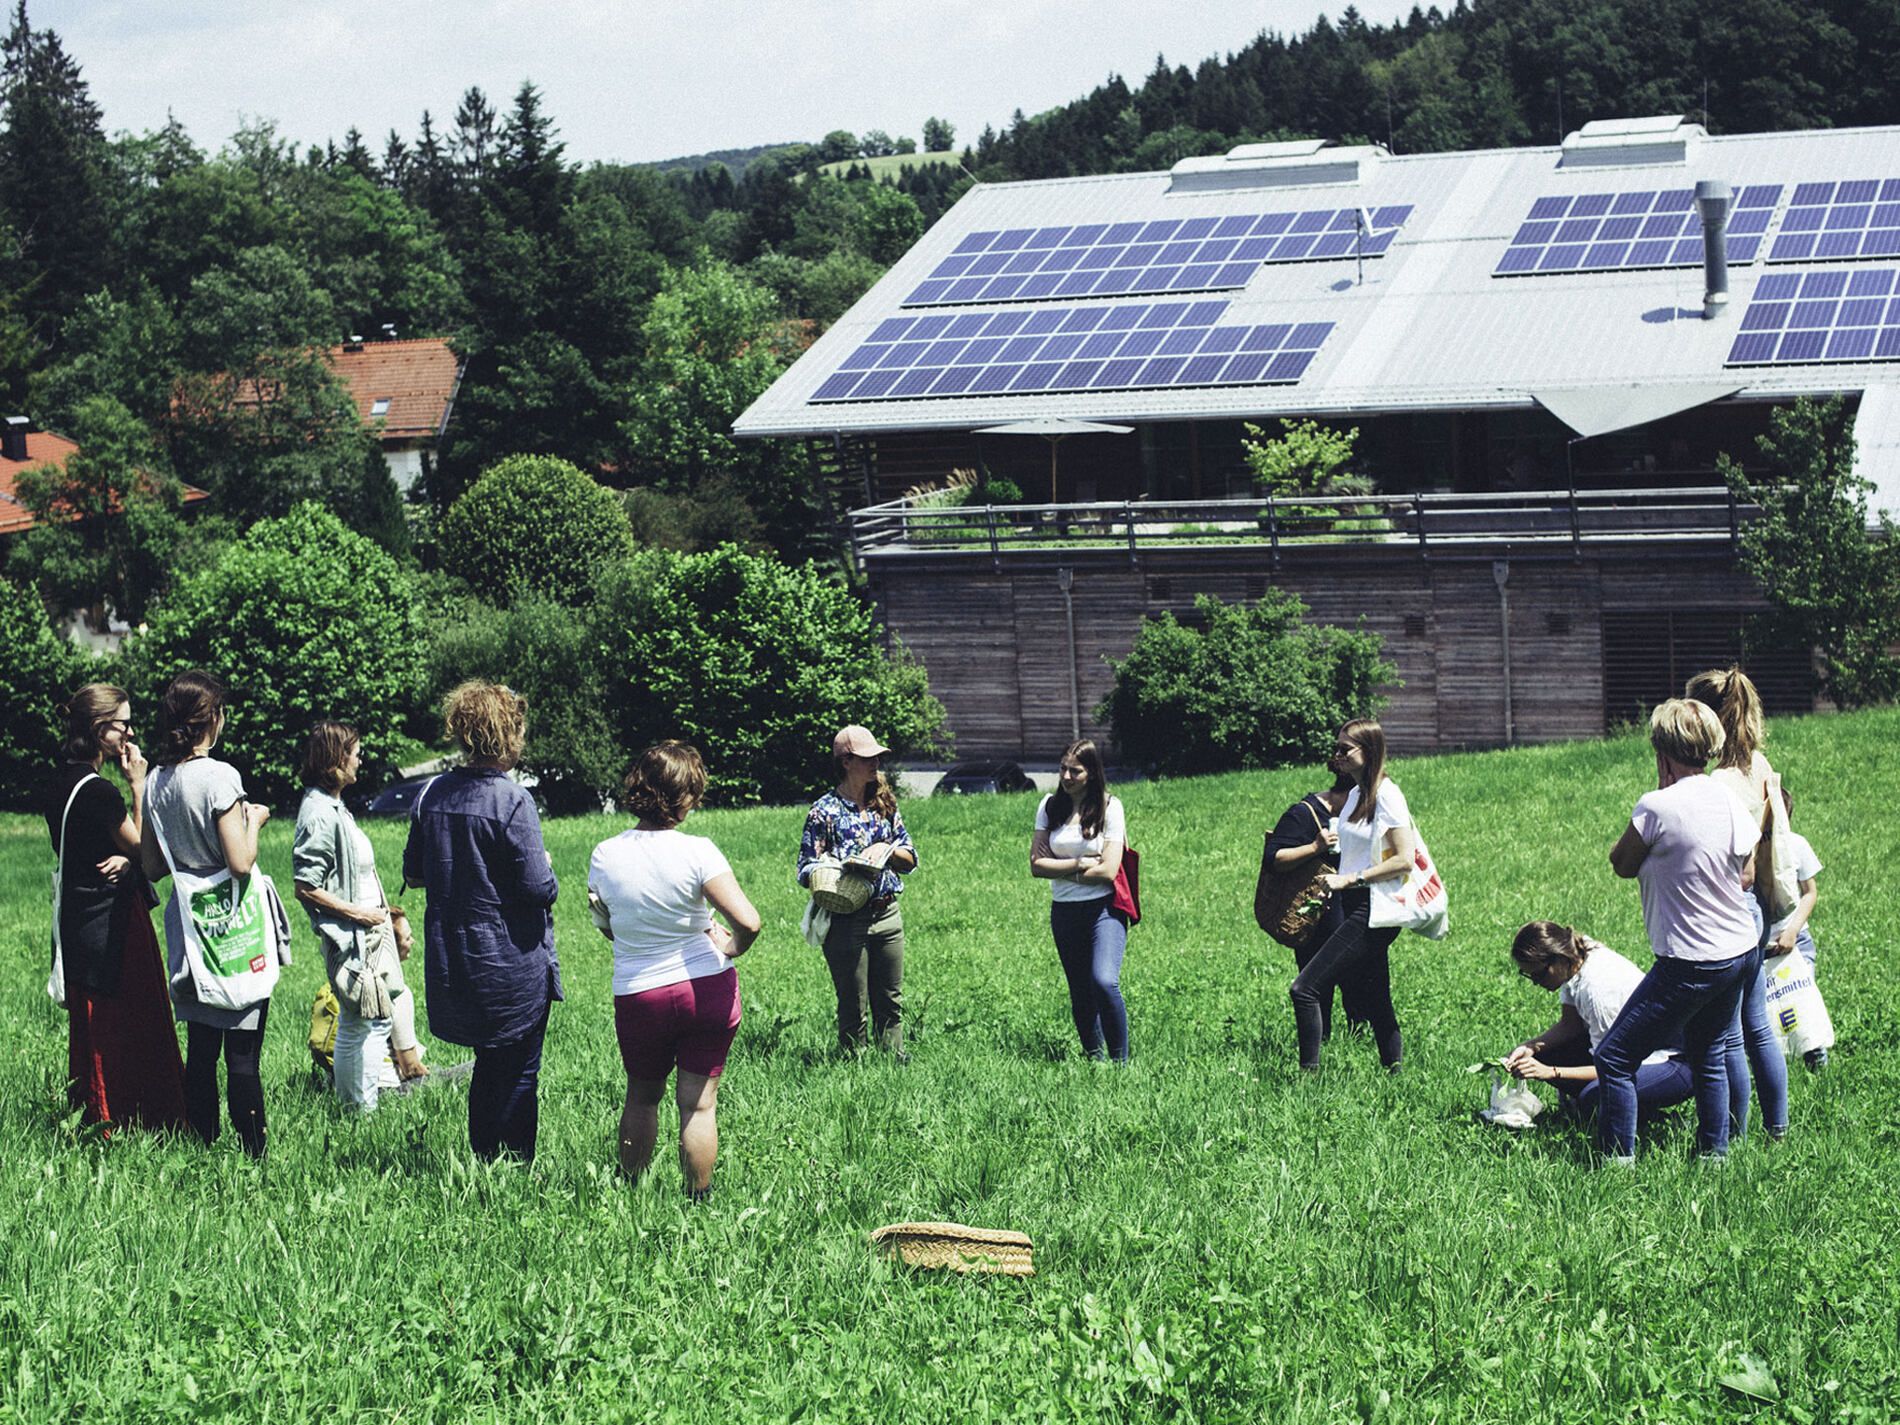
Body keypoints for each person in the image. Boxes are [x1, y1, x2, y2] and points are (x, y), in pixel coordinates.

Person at [589, 742, 761, 1198]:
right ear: (686, 796)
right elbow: (748, 921)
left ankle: (630, 1193)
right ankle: (698, 1201)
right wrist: (732, 947)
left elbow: (612, 931)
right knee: (699, 1106)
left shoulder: (606, 854)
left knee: (642, 1097)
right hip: (706, 987)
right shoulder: (698, 851)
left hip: (640, 992)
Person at [403, 681, 560, 1162]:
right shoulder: (512, 801)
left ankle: (482, 1163)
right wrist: (548, 868)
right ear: (507, 734)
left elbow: (414, 872)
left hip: (456, 958)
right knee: (519, 1072)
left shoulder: (431, 794)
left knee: (488, 1066)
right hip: (509, 961)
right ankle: (513, 1171)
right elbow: (539, 889)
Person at [1602, 698, 1758, 1161]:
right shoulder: (1726, 796)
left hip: (1691, 959)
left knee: (1614, 1058)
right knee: (1709, 1050)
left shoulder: (1657, 806)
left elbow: (1621, 864)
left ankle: (1617, 1164)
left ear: (1661, 750)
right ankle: (1714, 1156)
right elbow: (1747, 872)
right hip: (1739, 949)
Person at [141, 670, 277, 1157]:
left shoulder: (155, 781)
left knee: (201, 1048)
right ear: (210, 719)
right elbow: (240, 862)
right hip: (233, 929)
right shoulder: (220, 776)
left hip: (190, 929)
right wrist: (254, 820)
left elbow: (153, 866)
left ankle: (201, 1144)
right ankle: (253, 1154)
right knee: (243, 1052)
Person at [42, 684, 186, 1134]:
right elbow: (148, 854)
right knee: (131, 1019)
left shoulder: (60, 781)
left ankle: (91, 1111)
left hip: (79, 920)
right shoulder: (101, 792)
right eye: (123, 723)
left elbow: (95, 850)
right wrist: (138, 785)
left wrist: (125, 860)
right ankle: (137, 1114)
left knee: (94, 1023)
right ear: (101, 728)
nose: (129, 732)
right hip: (114, 922)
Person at [292, 721, 425, 1112]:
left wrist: (383, 916)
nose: (360, 760)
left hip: (369, 932)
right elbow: (306, 886)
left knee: (368, 1020)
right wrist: (359, 915)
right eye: (355, 752)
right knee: (362, 1022)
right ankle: (359, 1108)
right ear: (336, 758)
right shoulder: (318, 813)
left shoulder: (335, 806)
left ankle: (359, 1105)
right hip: (353, 937)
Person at [1684, 666, 1788, 1140]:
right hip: (1760, 909)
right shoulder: (1758, 766)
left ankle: (1733, 1135)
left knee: (1726, 1033)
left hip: (1731, 909)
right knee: (1757, 1024)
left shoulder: (1716, 783)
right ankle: (1777, 1127)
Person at [1289, 719, 1411, 1073]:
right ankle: (1396, 1076)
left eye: (1346, 749)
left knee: (1304, 988)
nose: (1337, 755)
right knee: (1377, 999)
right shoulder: (1357, 793)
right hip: (1355, 903)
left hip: (1376, 907)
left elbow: (1404, 860)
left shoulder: (1388, 794)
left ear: (1369, 752)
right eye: (1336, 747)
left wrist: (1351, 880)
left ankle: (1308, 1082)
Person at [797, 725, 917, 1057]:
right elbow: (806, 867)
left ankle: (894, 1061)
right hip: (847, 917)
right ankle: (852, 1066)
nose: (876, 763)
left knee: (891, 999)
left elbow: (910, 856)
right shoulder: (824, 811)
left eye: (878, 756)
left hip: (887, 912)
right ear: (846, 761)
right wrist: (840, 867)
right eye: (867, 758)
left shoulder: (884, 803)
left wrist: (887, 853)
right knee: (853, 1001)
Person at [1503, 921, 1691, 1128]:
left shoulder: (1597, 993)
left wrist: (1551, 1071)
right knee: (1539, 1054)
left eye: (1539, 974)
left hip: (1671, 1063)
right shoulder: (1576, 958)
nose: (1536, 982)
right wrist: (1529, 1047)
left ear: (1558, 959)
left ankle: (1659, 1122)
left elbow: (1612, 1067)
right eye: (1529, 976)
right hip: (1634, 1054)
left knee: (1592, 1097)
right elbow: (1570, 1025)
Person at [1029, 739, 1130, 1062]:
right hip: (1064, 911)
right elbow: (1036, 866)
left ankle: (1120, 1063)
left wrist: (1057, 868)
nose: (1067, 776)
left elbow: (1108, 870)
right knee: (1080, 991)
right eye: (1063, 769)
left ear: (1092, 773)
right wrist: (1077, 864)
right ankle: (1093, 1059)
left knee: (1103, 981)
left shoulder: (1109, 806)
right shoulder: (1048, 806)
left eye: (1076, 770)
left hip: (1104, 910)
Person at [1262, 766, 1366, 1044]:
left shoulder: (1359, 818)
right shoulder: (1304, 813)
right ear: (1346, 795)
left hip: (1352, 917)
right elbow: (1273, 859)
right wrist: (1315, 847)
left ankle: (1359, 1043)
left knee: (1358, 986)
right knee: (1317, 990)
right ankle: (1321, 1045)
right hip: (1314, 921)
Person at [1766, 785, 1826, 1069]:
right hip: (1763, 950)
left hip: (1796, 941)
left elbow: (1810, 892)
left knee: (1804, 1002)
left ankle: (1816, 1061)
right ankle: (1777, 1068)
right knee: (1768, 1012)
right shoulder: (1753, 853)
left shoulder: (1796, 844)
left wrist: (1792, 930)